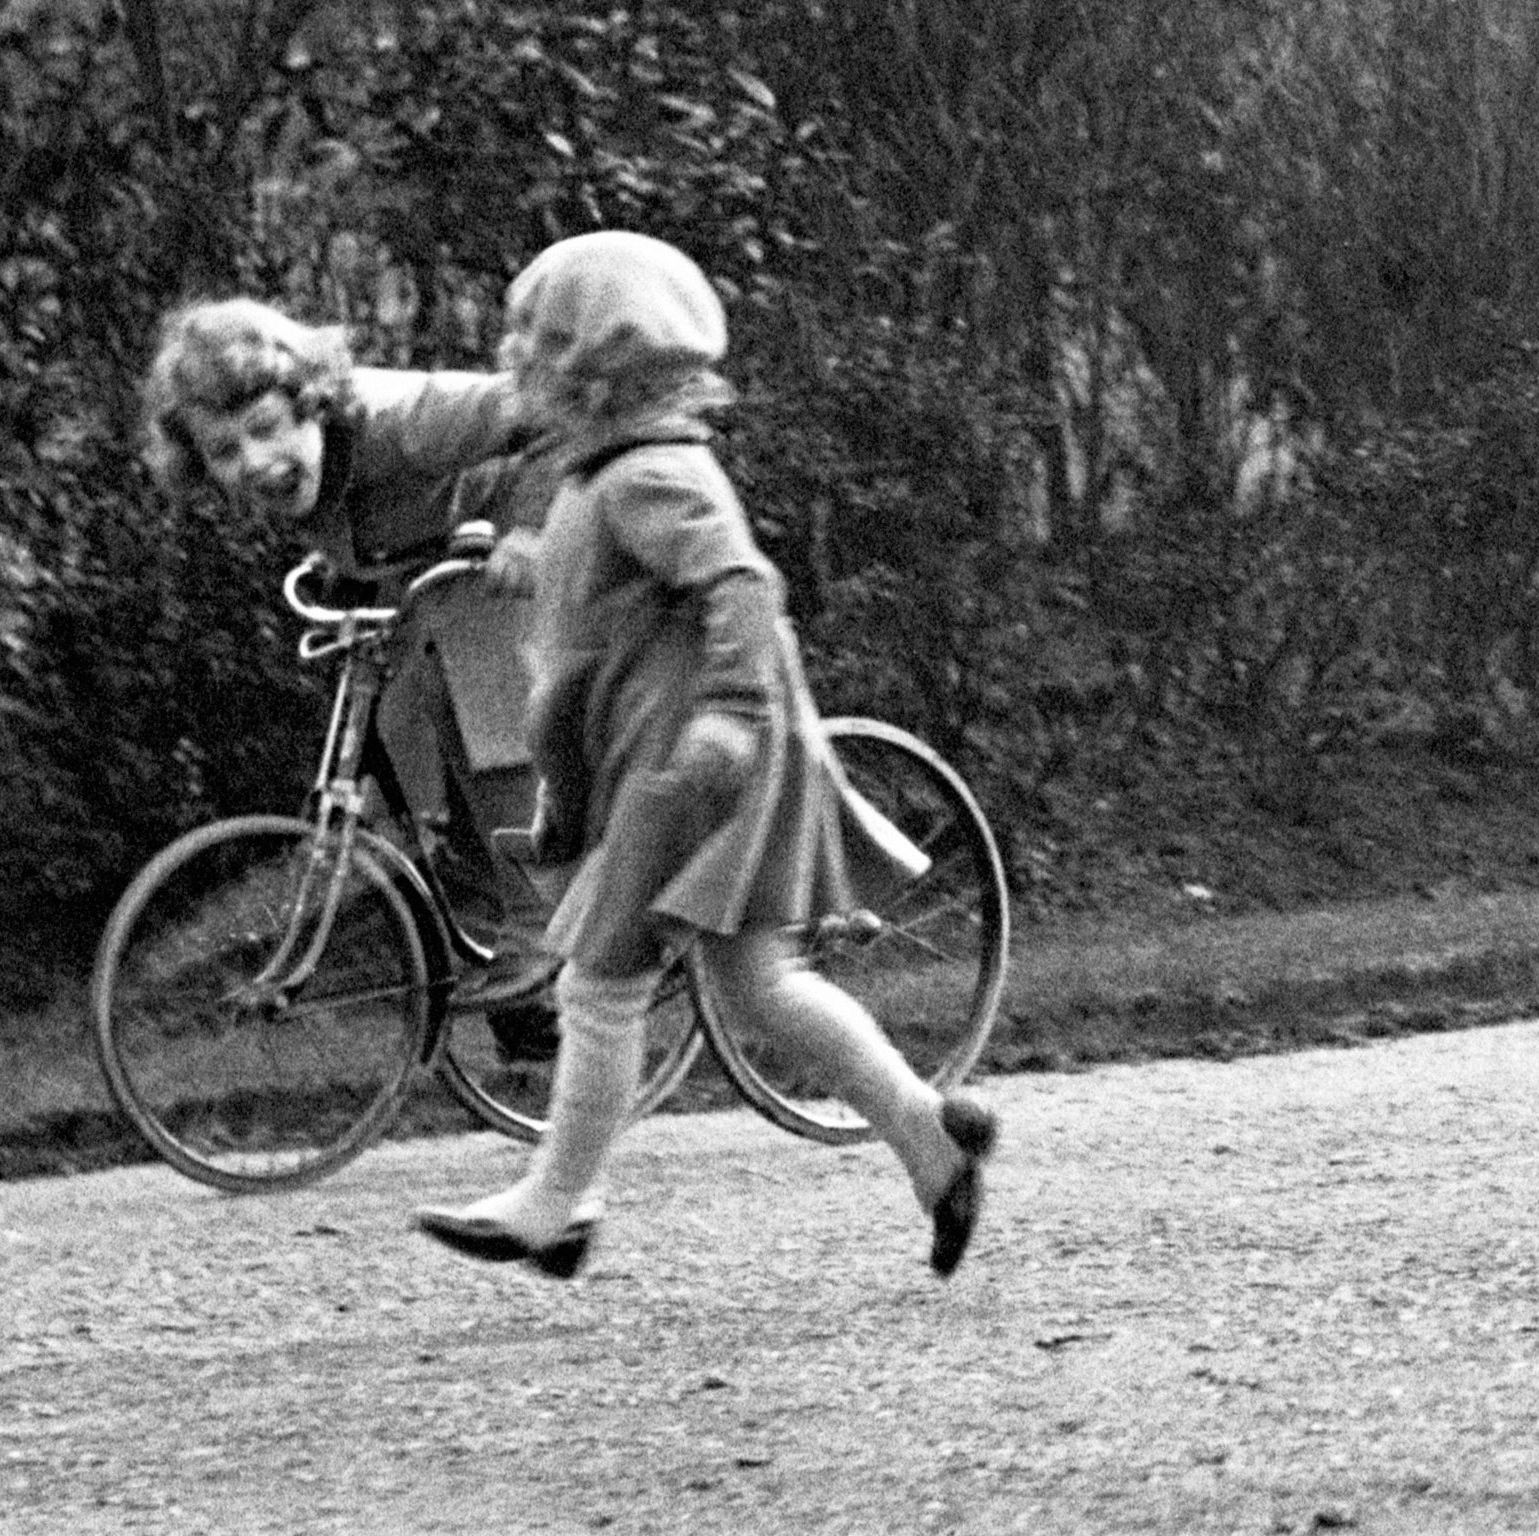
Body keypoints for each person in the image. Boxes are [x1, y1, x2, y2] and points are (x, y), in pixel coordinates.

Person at [413, 231, 1000, 1281]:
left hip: (689, 766)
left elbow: (740, 586)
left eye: (530, 357)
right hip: (670, 762)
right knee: (760, 983)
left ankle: (559, 1202)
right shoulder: (609, 484)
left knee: (597, 987)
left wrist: (729, 712)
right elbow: (617, 617)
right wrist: (538, 569)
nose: (515, 377)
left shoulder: (647, 475)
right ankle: (926, 1137)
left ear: (593, 375)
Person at [139, 296, 556, 1012]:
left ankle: (542, 935)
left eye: (267, 430)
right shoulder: (301, 475)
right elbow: (376, 522)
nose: (254, 462)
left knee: (482, 712)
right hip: (444, 586)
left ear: (312, 403)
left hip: (534, 558)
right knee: (403, 743)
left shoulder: (401, 422)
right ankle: (525, 995)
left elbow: (551, 413)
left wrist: (526, 528)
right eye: (224, 452)